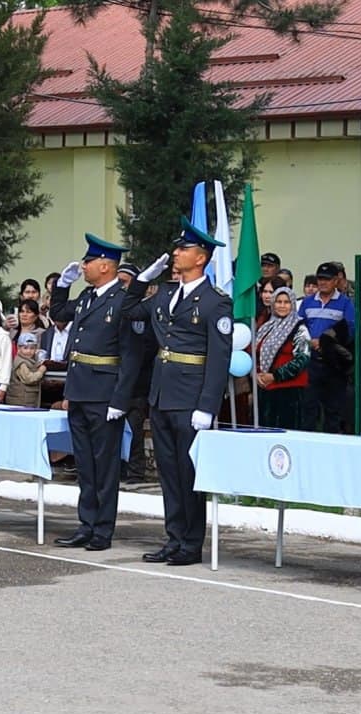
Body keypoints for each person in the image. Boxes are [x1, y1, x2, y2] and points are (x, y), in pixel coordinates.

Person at [122, 217, 233, 566]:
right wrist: (142, 279)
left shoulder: (215, 302)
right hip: (162, 394)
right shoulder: (166, 293)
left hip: (190, 398)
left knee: (188, 473)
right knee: (169, 473)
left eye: (183, 249)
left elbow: (219, 357)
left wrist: (208, 405)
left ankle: (191, 543)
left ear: (201, 257)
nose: (175, 253)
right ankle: (174, 538)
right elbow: (127, 310)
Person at [48, 235, 144, 550]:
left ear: (105, 265)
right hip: (79, 390)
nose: (83, 266)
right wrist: (62, 285)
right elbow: (60, 312)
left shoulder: (122, 300)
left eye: (88, 262)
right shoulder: (89, 297)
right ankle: (86, 524)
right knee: (86, 465)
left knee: (105, 467)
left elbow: (130, 356)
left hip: (104, 394)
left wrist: (120, 399)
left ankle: (103, 529)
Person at [299, 261, 354, 433]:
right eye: (320, 279)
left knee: (333, 411)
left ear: (336, 281)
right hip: (311, 362)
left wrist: (326, 342)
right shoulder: (308, 302)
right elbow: (299, 326)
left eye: (327, 279)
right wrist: (309, 341)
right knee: (309, 408)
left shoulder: (345, 303)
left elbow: (350, 330)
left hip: (333, 363)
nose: (322, 282)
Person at [117, 261, 154, 485]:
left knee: (134, 427)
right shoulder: (113, 307)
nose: (120, 287)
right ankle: (118, 467)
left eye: (124, 282)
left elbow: (148, 346)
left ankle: (135, 471)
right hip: (114, 380)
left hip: (137, 382)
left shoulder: (143, 310)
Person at [254, 287, 310, 429]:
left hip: (289, 391)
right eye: (278, 301)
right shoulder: (266, 327)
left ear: (292, 304)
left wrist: (274, 376)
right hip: (266, 390)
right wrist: (257, 375)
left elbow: (302, 359)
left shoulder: (299, 328)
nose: (282, 305)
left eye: (286, 302)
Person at [4, 332, 46, 406]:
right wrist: (40, 371)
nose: (29, 351)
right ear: (19, 348)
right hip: (20, 402)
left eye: (32, 348)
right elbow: (28, 379)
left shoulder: (31, 360)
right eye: (25, 348)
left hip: (27, 400)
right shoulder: (21, 362)